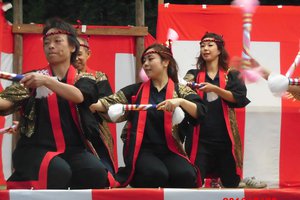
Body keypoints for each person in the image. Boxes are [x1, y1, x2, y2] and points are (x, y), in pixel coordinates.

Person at [0, 18, 113, 189]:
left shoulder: (84, 79)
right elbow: (6, 103)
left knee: (95, 172)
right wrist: (42, 79)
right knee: (59, 171)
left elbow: (78, 96)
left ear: (73, 47)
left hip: (74, 149)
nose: (50, 46)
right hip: (36, 149)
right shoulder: (33, 78)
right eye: (46, 43)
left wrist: (46, 81)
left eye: (57, 41)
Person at [90, 43, 207, 188]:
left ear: (165, 62)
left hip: (171, 148)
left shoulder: (180, 91)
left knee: (186, 175)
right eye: (144, 61)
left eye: (150, 59)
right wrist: (94, 105)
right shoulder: (136, 90)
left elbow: (199, 111)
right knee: (156, 174)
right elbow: (110, 102)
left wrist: (180, 101)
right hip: (142, 149)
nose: (145, 64)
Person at [183, 32, 251, 188]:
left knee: (231, 183)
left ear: (219, 50)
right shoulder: (193, 75)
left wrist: (216, 89)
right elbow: (181, 87)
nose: (205, 49)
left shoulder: (231, 74)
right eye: (202, 46)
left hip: (224, 138)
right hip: (200, 138)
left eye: (209, 45)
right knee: (194, 181)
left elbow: (239, 98)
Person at [74, 36, 116, 174]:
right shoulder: (60, 78)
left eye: (79, 54)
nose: (76, 58)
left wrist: (95, 106)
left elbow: (110, 101)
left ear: (88, 54)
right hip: (69, 128)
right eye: (73, 54)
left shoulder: (99, 76)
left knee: (105, 171)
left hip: (95, 129)